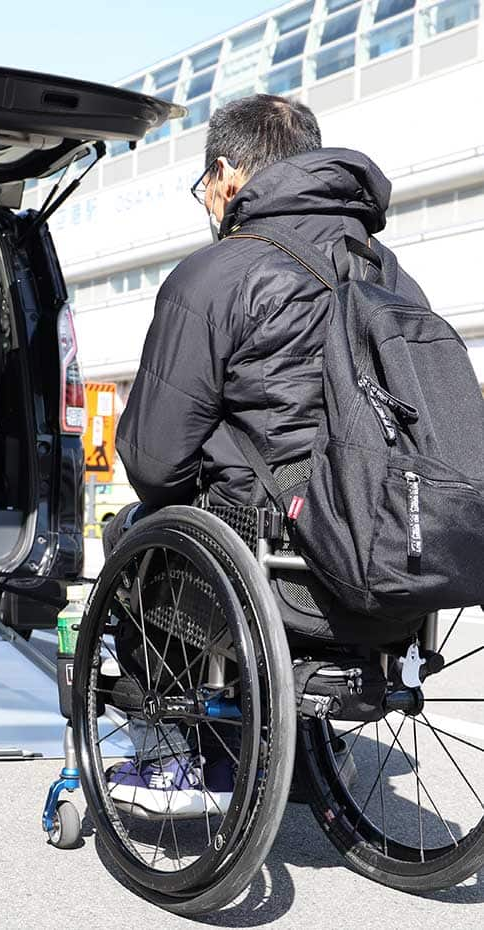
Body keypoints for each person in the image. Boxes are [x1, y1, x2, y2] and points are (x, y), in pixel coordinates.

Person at [104, 93, 429, 815]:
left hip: (273, 574)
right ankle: (307, 755)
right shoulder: (392, 274)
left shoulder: (215, 274)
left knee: (132, 531)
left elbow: (155, 464)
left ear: (226, 175)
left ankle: (182, 758)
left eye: (206, 188)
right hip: (389, 565)